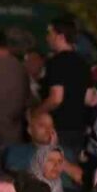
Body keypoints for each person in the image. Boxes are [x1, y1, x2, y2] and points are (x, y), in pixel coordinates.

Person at [38, 17, 91, 157]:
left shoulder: (56, 63)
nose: (47, 38)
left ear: (60, 36)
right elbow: (89, 97)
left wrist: (37, 112)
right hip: (78, 127)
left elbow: (56, 98)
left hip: (58, 128)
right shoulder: (83, 63)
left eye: (50, 33)